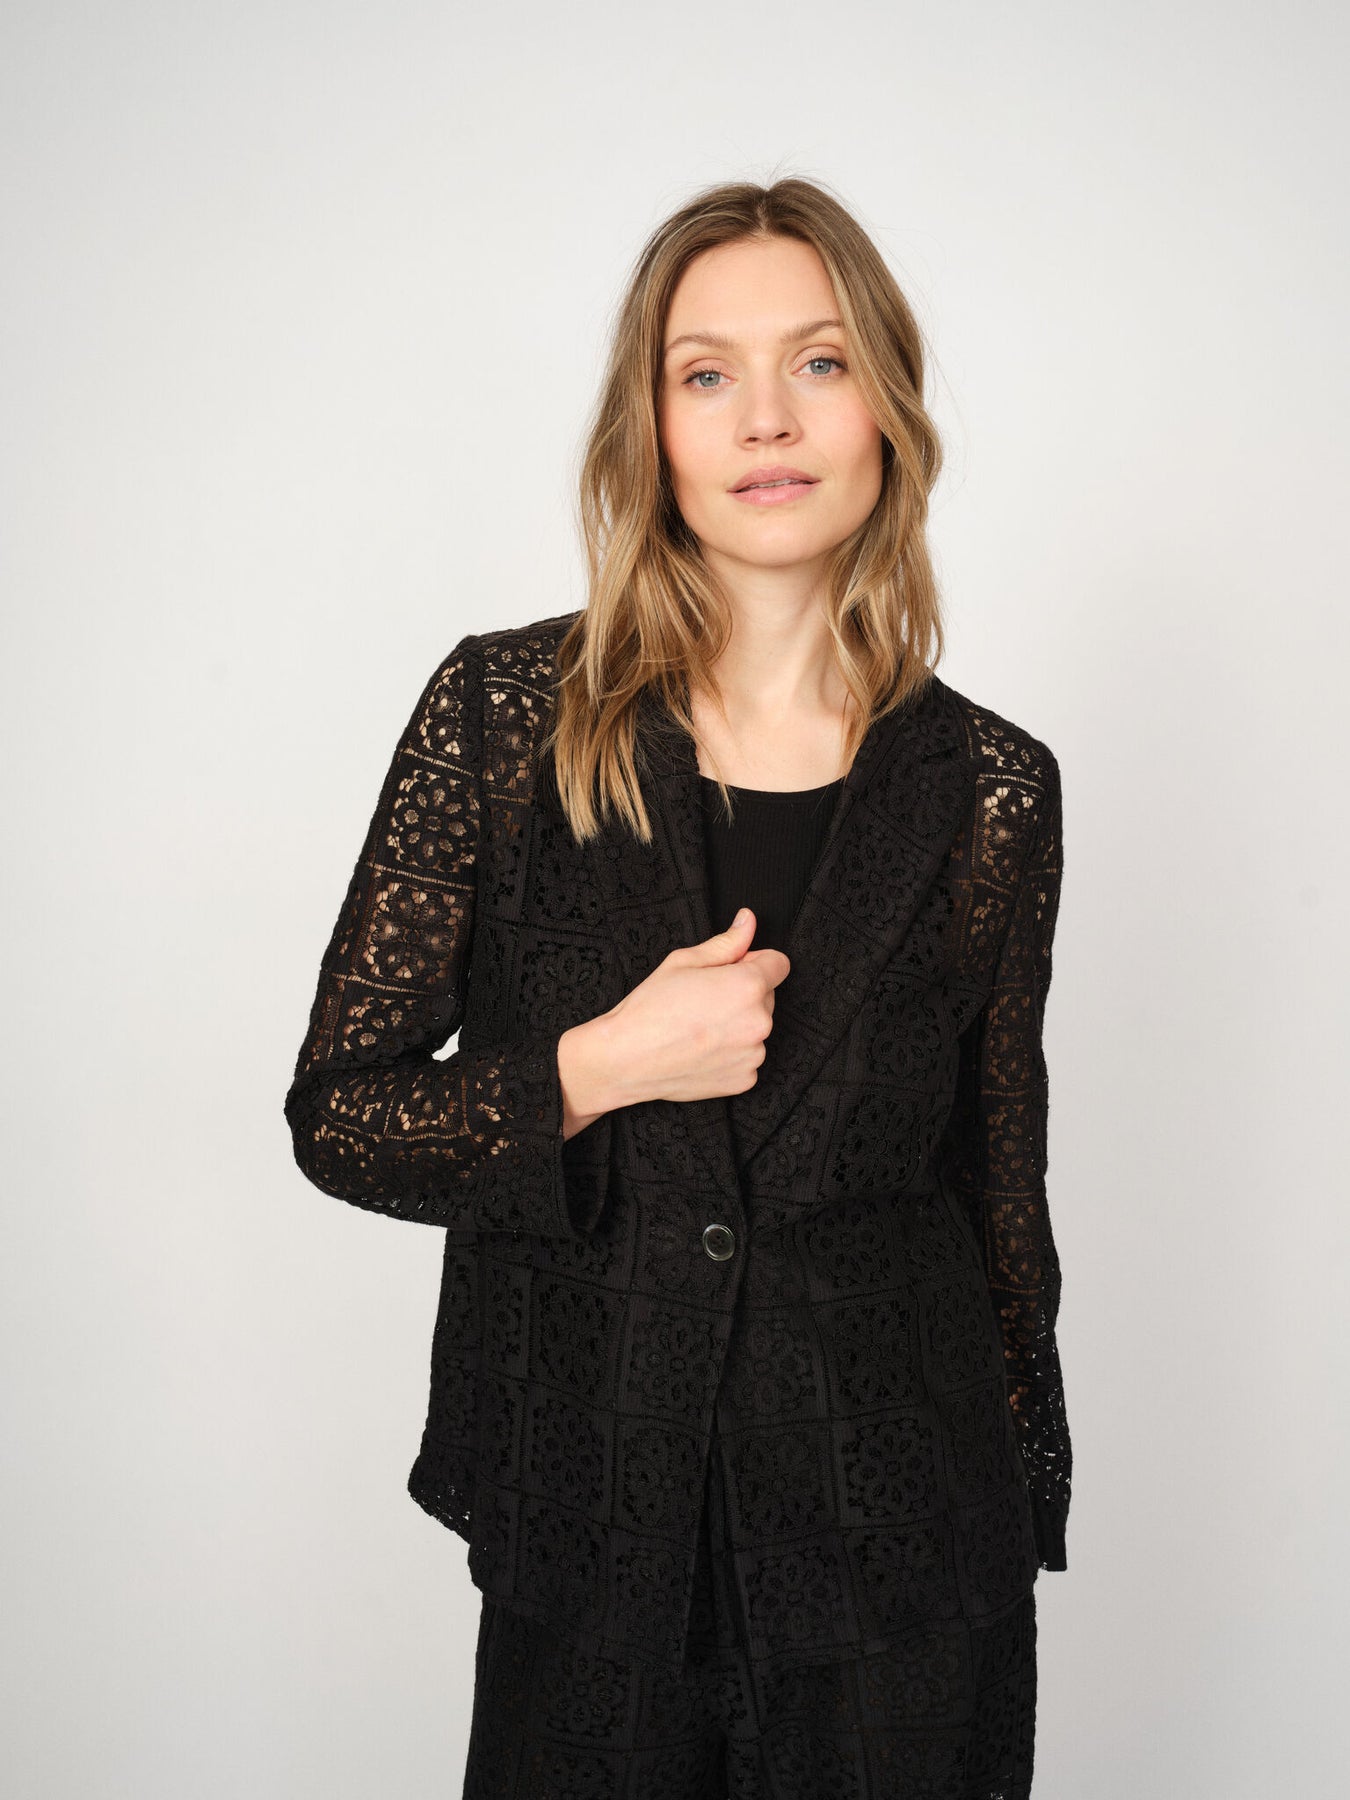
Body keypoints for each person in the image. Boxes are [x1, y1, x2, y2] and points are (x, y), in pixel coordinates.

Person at [283, 176, 1071, 1799]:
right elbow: (343, 1118)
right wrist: (596, 1067)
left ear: (886, 408)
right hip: (592, 1530)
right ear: (648, 426)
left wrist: (1023, 1497)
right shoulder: (506, 716)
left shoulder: (991, 786)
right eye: (705, 373)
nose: (766, 418)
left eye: (819, 362)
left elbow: (997, 1188)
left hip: (903, 1560)